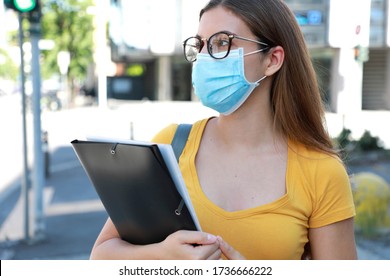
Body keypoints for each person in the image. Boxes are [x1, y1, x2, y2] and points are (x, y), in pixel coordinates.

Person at [90, 0, 357, 260]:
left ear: (272, 59)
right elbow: (101, 256)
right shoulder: (170, 145)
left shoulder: (321, 171)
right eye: (200, 45)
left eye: (222, 42)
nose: (205, 57)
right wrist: (161, 256)